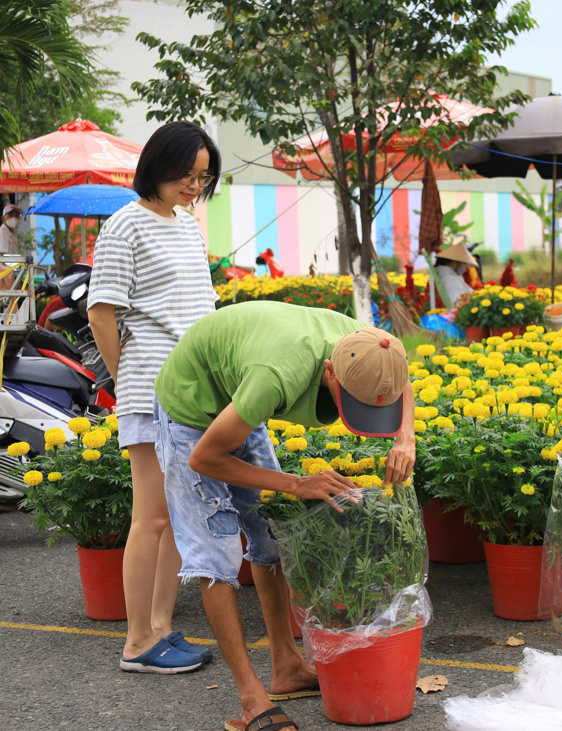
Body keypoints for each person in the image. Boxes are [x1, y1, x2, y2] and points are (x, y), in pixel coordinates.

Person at [152, 301, 416, 731]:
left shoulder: (372, 345)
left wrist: (406, 438)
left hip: (239, 399)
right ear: (330, 371)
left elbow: (400, 378)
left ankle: (287, 667)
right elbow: (205, 458)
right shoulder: (276, 376)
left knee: (270, 537)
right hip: (192, 412)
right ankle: (250, 697)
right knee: (216, 555)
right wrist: (296, 483)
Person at [88, 121, 222, 673]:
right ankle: (137, 642)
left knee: (177, 515)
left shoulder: (187, 225)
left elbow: (202, 305)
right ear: (156, 166)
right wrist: (126, 383)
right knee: (152, 517)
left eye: (203, 176)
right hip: (148, 386)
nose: (194, 186)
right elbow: (101, 311)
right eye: (185, 174)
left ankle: (162, 627)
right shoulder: (125, 225)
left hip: (192, 387)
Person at [433, 242, 478, 307]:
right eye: (464, 263)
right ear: (455, 261)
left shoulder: (449, 276)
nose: (465, 267)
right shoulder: (450, 280)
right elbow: (458, 305)